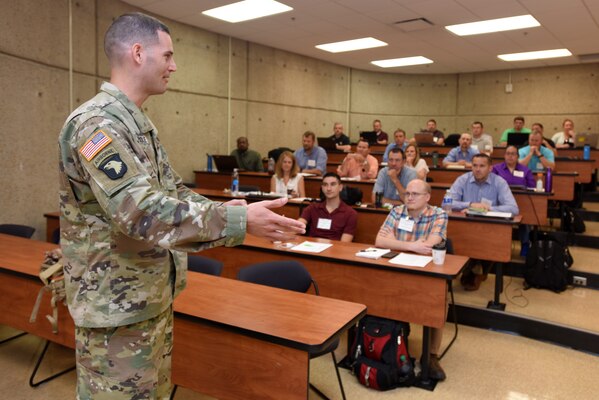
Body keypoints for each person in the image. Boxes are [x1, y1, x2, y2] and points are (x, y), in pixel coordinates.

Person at [57, 13, 305, 399]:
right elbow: (139, 211)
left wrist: (232, 210)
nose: (174, 66)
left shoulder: (137, 125)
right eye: (168, 55)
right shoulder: (97, 125)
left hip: (147, 297)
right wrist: (235, 219)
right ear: (139, 53)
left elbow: (173, 192)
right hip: (116, 309)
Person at [375, 179, 448, 381]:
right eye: (407, 193)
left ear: (427, 197)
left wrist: (397, 242)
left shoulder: (438, 214)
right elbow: (379, 241)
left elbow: (432, 243)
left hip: (426, 271)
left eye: (415, 194)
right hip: (397, 267)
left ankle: (431, 355)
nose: (410, 197)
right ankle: (391, 342)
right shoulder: (397, 212)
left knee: (438, 299)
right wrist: (412, 246)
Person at [450, 154, 519, 290]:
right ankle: (472, 266)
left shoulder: (499, 182)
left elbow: (513, 208)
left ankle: (478, 266)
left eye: (482, 166)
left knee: (489, 242)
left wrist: (488, 208)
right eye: (475, 165)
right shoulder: (462, 180)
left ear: (490, 168)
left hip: (489, 231)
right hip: (466, 228)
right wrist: (470, 204)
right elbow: (447, 202)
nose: (477, 169)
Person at [492, 145, 535, 255]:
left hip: (522, 203)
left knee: (526, 217)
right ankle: (498, 246)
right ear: (504, 155)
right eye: (508, 153)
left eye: (513, 154)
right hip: (500, 202)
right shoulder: (496, 168)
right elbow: (491, 186)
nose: (510, 156)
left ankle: (525, 244)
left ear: (517, 156)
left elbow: (532, 187)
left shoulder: (525, 170)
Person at [298, 172, 357, 242]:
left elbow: (344, 243)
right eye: (325, 185)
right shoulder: (312, 208)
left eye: (333, 184)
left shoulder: (350, 213)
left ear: (340, 187)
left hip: (335, 250)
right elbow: (297, 226)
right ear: (322, 188)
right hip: (311, 248)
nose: (328, 188)